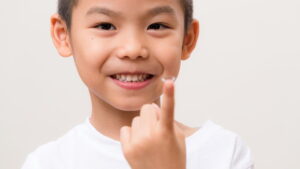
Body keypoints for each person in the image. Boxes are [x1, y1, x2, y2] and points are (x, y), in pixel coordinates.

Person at [21, 0, 254, 168]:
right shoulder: (47, 163)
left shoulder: (225, 153)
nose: (133, 49)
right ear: (63, 34)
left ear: (187, 39)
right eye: (105, 26)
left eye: (157, 26)